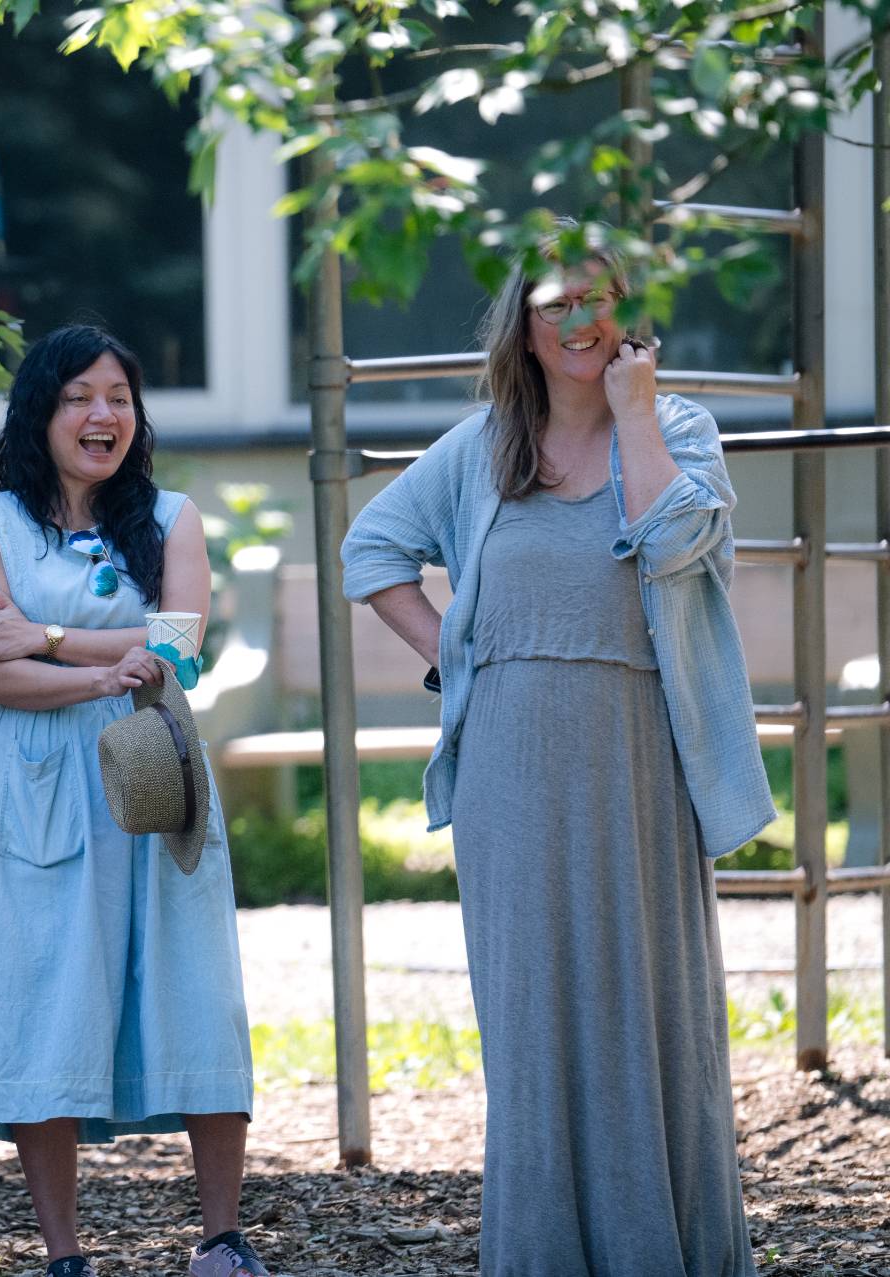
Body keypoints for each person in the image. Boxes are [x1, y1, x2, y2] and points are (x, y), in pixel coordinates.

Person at [341, 225, 772, 1277]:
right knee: (532, 1017)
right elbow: (371, 548)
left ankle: (661, 1246)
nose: (584, 320)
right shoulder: (482, 448)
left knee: (651, 1006)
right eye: (558, 303)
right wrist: (448, 650)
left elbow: (679, 547)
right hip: (509, 763)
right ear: (523, 327)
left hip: (639, 758)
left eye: (604, 297)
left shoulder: (679, 428)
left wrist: (634, 416)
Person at [0, 325, 267, 1277]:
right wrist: (102, 664)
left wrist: (46, 632)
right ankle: (65, 1252)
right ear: (41, 412)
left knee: (193, 988)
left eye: (118, 397)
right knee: (49, 990)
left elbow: (177, 653)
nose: (102, 414)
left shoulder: (172, 517)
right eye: (79, 395)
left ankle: (221, 1239)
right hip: (35, 786)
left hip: (151, 774)